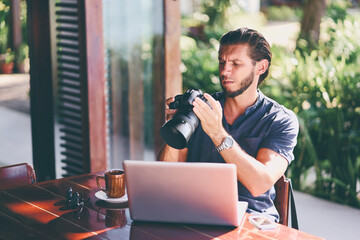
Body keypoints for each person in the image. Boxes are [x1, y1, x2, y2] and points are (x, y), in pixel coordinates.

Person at [157, 27, 299, 221]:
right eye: (222, 62)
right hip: (195, 213)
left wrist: (218, 134)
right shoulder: (199, 108)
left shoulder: (279, 119)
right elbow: (165, 177)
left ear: (261, 67)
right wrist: (175, 128)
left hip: (252, 221)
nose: (225, 70)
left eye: (236, 63)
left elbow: (259, 183)